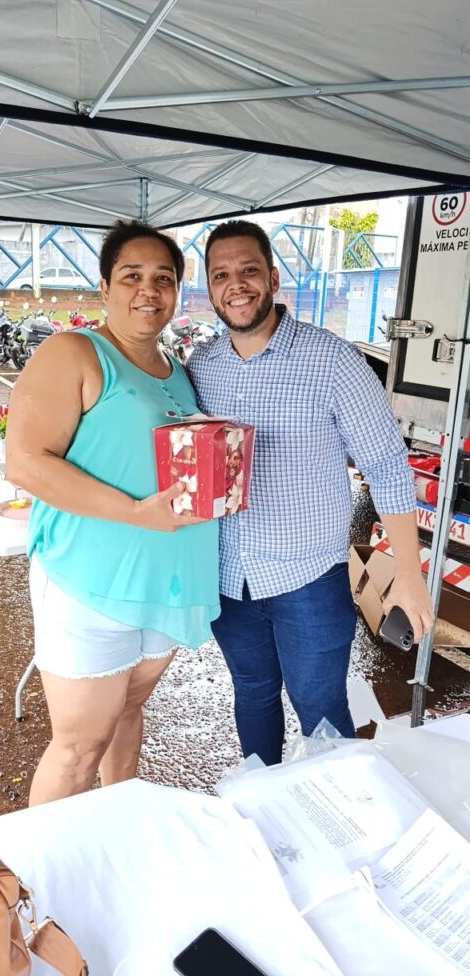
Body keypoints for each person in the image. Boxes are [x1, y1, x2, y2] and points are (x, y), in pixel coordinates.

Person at [187, 219, 434, 765]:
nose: (236, 285)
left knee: (320, 711)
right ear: (209, 288)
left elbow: (387, 467)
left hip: (309, 579)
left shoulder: (332, 360)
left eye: (249, 270)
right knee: (252, 694)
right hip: (229, 577)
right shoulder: (202, 364)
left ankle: (337, 811)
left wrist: (410, 577)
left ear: (273, 278)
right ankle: (262, 800)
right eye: (221, 275)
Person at [6, 221, 219, 806]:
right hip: (90, 581)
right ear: (104, 287)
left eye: (164, 278)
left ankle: (115, 826)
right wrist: (133, 511)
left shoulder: (175, 368)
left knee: (127, 710)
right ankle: (48, 860)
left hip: (163, 582)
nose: (149, 291)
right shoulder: (75, 352)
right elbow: (25, 462)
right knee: (78, 748)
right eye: (132, 276)